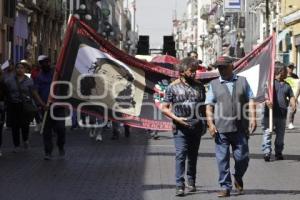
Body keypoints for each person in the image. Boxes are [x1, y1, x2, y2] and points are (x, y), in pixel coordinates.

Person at [205, 56, 256, 197]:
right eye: (218, 67)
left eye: (223, 67)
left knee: (243, 158)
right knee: (222, 160)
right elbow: (209, 107)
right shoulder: (213, 84)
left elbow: (251, 100)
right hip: (221, 129)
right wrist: (210, 124)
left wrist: (253, 118)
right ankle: (225, 186)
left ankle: (238, 177)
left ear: (231, 66)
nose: (220, 70)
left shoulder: (243, 81)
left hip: (240, 128)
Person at [161, 57, 206, 197]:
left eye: (195, 71)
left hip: (196, 126)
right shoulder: (172, 87)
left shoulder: (200, 86)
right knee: (181, 155)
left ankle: (191, 180)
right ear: (182, 72)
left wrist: (205, 122)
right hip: (179, 127)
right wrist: (177, 119)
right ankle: (179, 185)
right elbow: (164, 108)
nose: (194, 73)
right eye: (191, 71)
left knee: (193, 155)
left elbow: (204, 107)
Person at [3, 62, 46, 152]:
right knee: (15, 126)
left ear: (25, 70)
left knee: (25, 125)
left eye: (22, 68)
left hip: (25, 106)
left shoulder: (29, 80)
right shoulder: (9, 80)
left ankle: (25, 140)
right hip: (14, 105)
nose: (20, 69)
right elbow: (4, 91)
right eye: (18, 67)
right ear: (15, 69)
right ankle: (16, 145)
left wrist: (42, 103)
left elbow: (34, 93)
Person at [262, 62, 296, 162]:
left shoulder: (287, 85)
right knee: (267, 134)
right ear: (279, 71)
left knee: (280, 136)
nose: (287, 73)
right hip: (269, 115)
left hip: (282, 115)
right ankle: (267, 152)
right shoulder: (270, 83)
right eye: (285, 71)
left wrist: (293, 102)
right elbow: (264, 95)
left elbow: (291, 96)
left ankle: (278, 152)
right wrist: (267, 100)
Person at [35, 55, 66, 160]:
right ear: (40, 65)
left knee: (61, 129)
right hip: (46, 109)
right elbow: (36, 92)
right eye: (43, 63)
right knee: (47, 131)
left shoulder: (57, 75)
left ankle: (61, 145)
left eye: (47, 62)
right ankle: (48, 151)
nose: (46, 64)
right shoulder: (39, 77)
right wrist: (42, 104)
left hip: (59, 107)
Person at [285, 63, 299, 129]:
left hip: (292, 95)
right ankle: (280, 122)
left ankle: (290, 123)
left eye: (292, 68)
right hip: (284, 95)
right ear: (287, 68)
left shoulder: (295, 76)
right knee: (282, 109)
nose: (291, 69)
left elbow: (298, 87)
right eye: (290, 67)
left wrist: (296, 97)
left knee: (293, 109)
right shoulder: (283, 75)